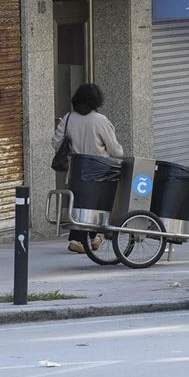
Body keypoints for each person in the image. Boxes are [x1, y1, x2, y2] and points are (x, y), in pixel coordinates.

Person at [51, 83, 124, 254]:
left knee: (79, 205)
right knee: (96, 205)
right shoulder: (100, 120)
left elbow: (55, 142)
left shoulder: (68, 118)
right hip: (100, 172)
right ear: (97, 100)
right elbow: (115, 150)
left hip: (76, 171)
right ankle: (78, 239)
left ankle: (92, 239)